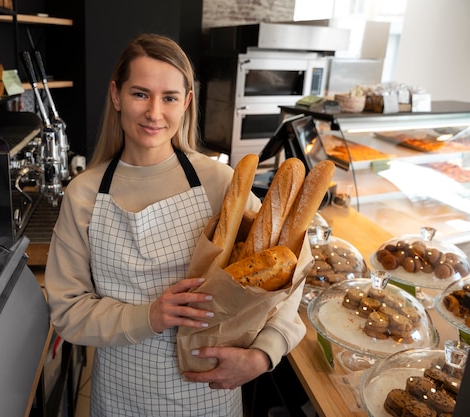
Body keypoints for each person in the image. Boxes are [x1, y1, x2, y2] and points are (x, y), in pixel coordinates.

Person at [45, 33, 306, 417]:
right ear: (116, 96)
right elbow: (67, 312)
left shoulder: (220, 183)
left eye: (169, 97)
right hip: (121, 397)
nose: (154, 112)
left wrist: (265, 354)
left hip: (209, 397)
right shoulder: (83, 194)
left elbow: (288, 269)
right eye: (140, 94)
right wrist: (149, 316)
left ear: (186, 103)